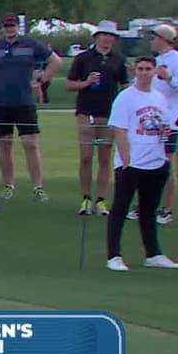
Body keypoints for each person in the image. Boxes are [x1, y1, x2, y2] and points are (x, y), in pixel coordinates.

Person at [0, 14, 61, 202]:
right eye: (6, 26)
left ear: (18, 27)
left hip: (24, 101)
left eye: (12, 26)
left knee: (30, 144)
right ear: (2, 27)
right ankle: (9, 185)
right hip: (1, 102)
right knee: (5, 145)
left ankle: (38, 186)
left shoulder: (30, 44)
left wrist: (42, 79)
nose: (9, 29)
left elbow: (55, 61)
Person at [105, 57, 178, 271]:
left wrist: (165, 152)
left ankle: (153, 254)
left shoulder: (159, 97)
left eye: (148, 69)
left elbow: (164, 125)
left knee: (149, 210)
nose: (145, 73)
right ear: (134, 71)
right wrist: (126, 159)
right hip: (132, 163)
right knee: (120, 208)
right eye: (141, 69)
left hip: (156, 161)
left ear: (155, 71)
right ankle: (114, 256)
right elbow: (119, 129)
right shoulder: (125, 97)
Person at [65, 21, 128, 216]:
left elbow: (125, 85)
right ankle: (86, 197)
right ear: (97, 37)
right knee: (85, 157)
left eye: (110, 36)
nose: (107, 39)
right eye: (103, 35)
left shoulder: (118, 60)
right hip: (86, 112)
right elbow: (69, 84)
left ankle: (101, 199)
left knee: (104, 157)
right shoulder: (84, 59)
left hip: (108, 114)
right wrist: (86, 83)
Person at [148, 24, 178, 223]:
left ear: (162, 39)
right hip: (150, 122)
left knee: (167, 163)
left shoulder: (176, 59)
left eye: (154, 38)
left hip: (171, 121)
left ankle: (166, 209)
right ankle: (147, 204)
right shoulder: (155, 61)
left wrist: (169, 78)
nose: (152, 41)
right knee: (148, 162)